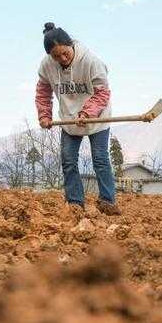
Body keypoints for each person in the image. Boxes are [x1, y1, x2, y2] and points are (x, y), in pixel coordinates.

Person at [35, 22, 120, 215]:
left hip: (97, 118)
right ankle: (75, 203)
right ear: (50, 55)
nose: (62, 59)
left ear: (71, 44)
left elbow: (102, 93)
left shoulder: (91, 61)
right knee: (68, 160)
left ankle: (107, 201)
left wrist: (87, 113)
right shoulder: (47, 65)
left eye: (65, 53)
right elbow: (43, 92)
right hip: (69, 118)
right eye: (56, 56)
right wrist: (44, 115)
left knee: (100, 159)